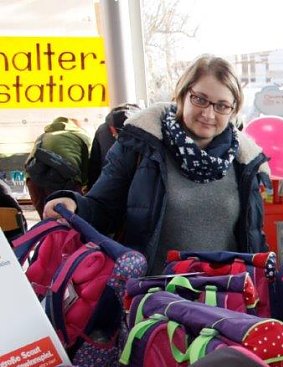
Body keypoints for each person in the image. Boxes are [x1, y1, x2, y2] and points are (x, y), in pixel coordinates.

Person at [42, 55, 270, 274]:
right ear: (182, 95)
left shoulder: (245, 162)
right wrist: (73, 204)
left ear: (233, 110)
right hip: (154, 294)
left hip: (229, 294)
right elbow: (103, 208)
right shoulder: (141, 145)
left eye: (222, 106)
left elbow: (252, 237)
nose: (208, 114)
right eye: (200, 99)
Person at [24, 117, 91, 219]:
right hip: (65, 178)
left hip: (33, 179)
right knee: (71, 220)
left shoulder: (43, 136)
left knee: (46, 221)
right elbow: (87, 166)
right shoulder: (81, 135)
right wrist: (85, 186)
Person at [88, 103, 141, 186]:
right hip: (138, 182)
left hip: (109, 183)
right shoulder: (143, 126)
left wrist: (92, 187)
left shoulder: (102, 129)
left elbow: (95, 164)